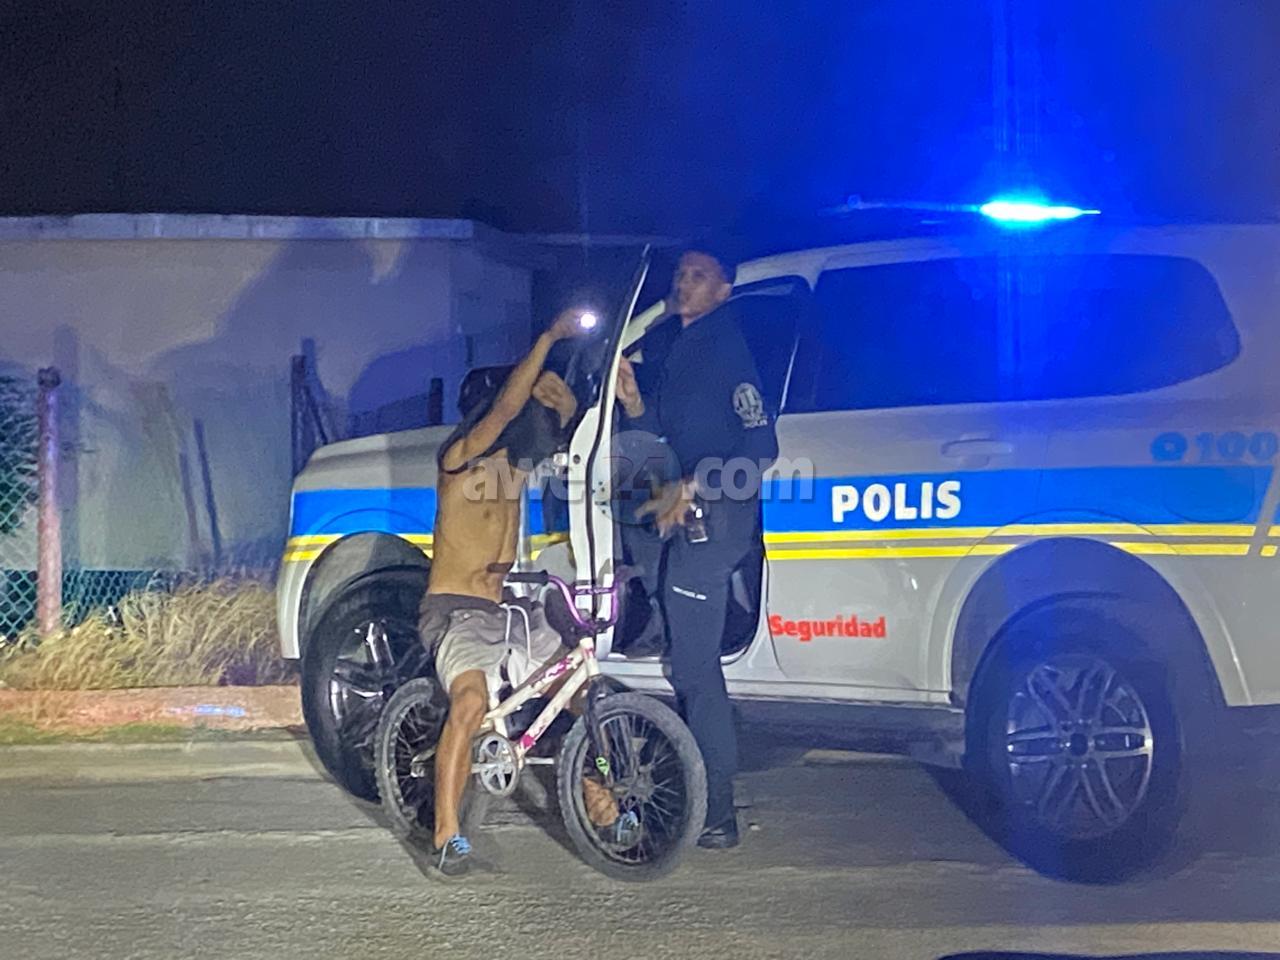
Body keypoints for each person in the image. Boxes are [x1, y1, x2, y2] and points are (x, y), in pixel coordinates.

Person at [420, 309, 621, 878]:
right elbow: (507, 409)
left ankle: (601, 796)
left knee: (588, 694)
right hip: (454, 612)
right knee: (469, 705)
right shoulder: (458, 461)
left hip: (508, 608)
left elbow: (580, 448)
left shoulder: (517, 471)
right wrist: (550, 338)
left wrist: (567, 406)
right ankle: (447, 835)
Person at [615, 248, 778, 849]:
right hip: (688, 518)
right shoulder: (686, 347)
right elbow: (666, 429)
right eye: (681, 274)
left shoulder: (726, 348)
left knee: (694, 666)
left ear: (723, 291)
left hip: (717, 519)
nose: (684, 283)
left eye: (699, 276)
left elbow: (762, 448)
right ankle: (697, 792)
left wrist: (694, 485)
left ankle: (715, 813)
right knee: (689, 656)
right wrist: (633, 401)